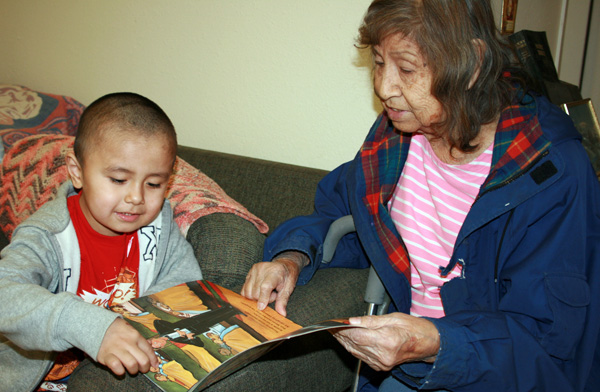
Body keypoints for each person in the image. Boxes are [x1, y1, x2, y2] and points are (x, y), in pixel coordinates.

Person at [241, 0, 600, 391]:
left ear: (473, 63)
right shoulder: (396, 138)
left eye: (406, 68)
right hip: (413, 366)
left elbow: (545, 341)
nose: (383, 87)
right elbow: (343, 214)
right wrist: (291, 258)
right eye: (379, 62)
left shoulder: (550, 171)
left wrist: (437, 343)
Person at [0, 92, 203, 391]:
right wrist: (88, 325)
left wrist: (145, 322)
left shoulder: (161, 229)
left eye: (154, 183)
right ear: (77, 172)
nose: (136, 198)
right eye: (119, 180)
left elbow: (186, 286)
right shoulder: (47, 234)